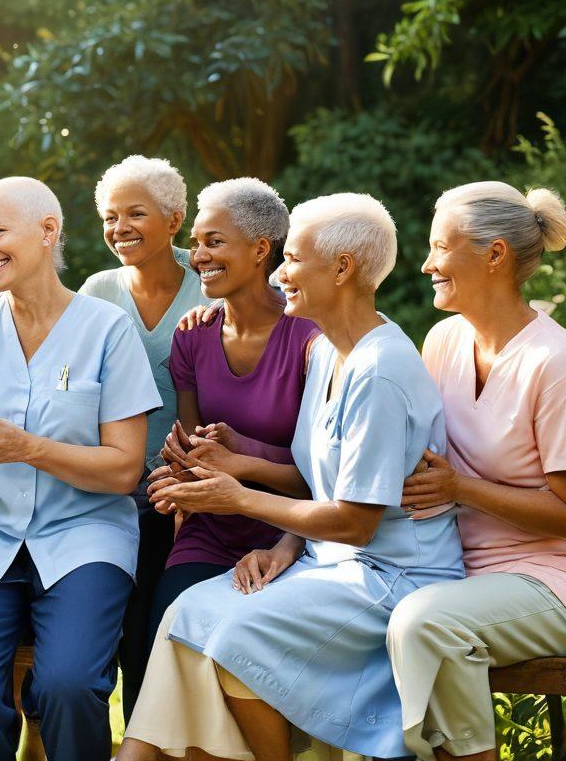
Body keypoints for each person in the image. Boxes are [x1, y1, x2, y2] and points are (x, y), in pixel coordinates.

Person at [118, 192, 464, 761]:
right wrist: (283, 544)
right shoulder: (327, 351)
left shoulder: (379, 371)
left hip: (391, 576)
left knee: (231, 638)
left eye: (293, 259)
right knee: (186, 614)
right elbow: (317, 480)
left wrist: (238, 498)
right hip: (327, 561)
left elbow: (355, 523)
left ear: (342, 269)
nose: (280, 274)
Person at [0, 176, 161, 761]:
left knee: (69, 685)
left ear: (47, 231)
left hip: (86, 536)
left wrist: (26, 448)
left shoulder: (107, 329)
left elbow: (124, 469)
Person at [387, 181, 566, 760]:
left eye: (440, 247)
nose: (426, 264)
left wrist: (460, 487)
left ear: (495, 255)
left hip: (548, 579)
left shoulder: (554, 362)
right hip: (446, 564)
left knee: (427, 624)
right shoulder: (442, 340)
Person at [149, 178, 318, 640]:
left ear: (261, 249)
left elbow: (326, 477)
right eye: (196, 243)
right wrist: (178, 478)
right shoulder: (192, 335)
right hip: (211, 529)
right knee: (161, 635)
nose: (199, 256)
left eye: (214, 242)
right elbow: (194, 455)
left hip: (292, 531)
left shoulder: (310, 337)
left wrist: (242, 453)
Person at [76, 155, 203, 719]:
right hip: (110, 493)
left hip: (188, 495)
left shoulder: (211, 283)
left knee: (160, 634)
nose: (119, 227)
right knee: (117, 632)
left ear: (174, 220)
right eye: (110, 217)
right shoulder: (97, 291)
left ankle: (153, 740)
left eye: (135, 214)